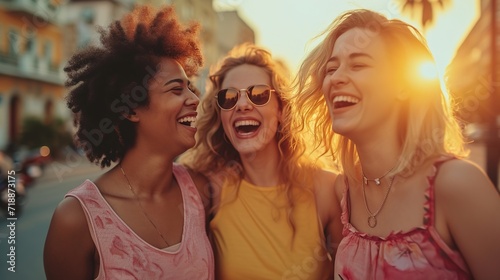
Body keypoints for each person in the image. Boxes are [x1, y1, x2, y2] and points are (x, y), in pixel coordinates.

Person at [294, 9, 500, 280]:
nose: (336, 78)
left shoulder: (457, 184)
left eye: (358, 65)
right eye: (331, 68)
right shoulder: (343, 191)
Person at [43, 5, 214, 279]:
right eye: (176, 89)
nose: (194, 100)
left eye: (191, 88)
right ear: (131, 109)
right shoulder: (76, 219)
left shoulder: (201, 192)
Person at [179, 43, 341, 279]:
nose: (243, 105)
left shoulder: (326, 190)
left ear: (281, 111)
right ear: (220, 116)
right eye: (229, 97)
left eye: (259, 94)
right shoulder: (210, 188)